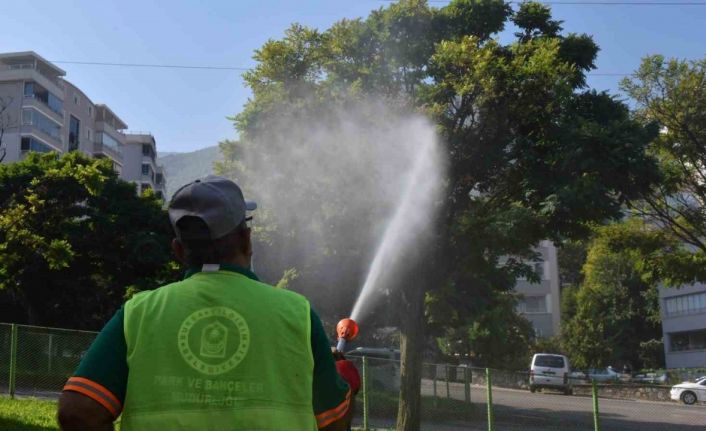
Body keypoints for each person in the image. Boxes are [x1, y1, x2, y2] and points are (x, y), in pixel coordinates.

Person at [58, 176, 353, 431]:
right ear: (247, 240)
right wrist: (345, 382)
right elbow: (333, 423)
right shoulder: (297, 313)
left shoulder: (138, 313)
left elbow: (77, 412)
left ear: (177, 250)